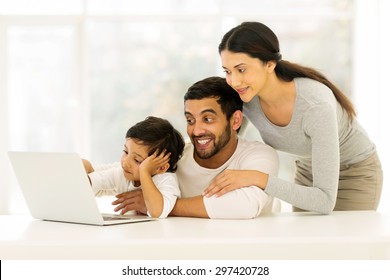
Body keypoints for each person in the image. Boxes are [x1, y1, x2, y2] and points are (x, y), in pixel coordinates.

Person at [206, 21, 383, 214]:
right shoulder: (246, 98)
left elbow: (324, 201)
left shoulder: (314, 106)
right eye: (227, 71)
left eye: (241, 69)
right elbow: (225, 144)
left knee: (346, 243)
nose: (233, 81)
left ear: (270, 64)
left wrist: (256, 177)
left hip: (355, 174)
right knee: (308, 242)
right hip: (309, 171)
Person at [112, 76, 279, 219]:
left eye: (207, 119)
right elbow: (127, 169)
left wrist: (159, 205)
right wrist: (89, 172)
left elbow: (244, 205)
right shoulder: (176, 155)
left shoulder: (259, 156)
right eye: (190, 120)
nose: (196, 131)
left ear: (235, 121)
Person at [82, 116, 185, 218]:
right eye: (126, 152)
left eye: (137, 160)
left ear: (161, 168)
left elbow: (157, 212)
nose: (125, 162)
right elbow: (92, 182)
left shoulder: (166, 181)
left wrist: (144, 172)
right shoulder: (121, 173)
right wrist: (82, 171)